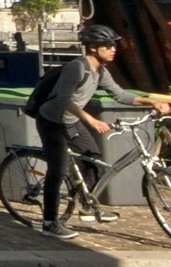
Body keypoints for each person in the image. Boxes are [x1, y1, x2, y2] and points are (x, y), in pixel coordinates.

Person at [31, 24, 122, 240]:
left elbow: (119, 95)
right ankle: (50, 222)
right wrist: (90, 119)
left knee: (93, 159)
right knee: (58, 170)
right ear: (92, 47)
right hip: (52, 121)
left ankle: (87, 206)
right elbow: (64, 100)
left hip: (71, 121)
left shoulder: (101, 71)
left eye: (113, 45)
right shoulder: (77, 67)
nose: (113, 49)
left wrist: (152, 101)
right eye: (107, 45)